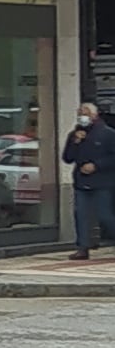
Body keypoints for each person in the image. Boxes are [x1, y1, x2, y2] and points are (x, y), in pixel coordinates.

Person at [61, 101, 115, 259]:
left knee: (104, 215)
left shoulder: (108, 134)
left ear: (94, 115)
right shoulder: (75, 135)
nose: (82, 117)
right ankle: (83, 247)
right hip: (81, 182)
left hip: (102, 182)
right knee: (81, 215)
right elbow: (67, 158)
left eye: (85, 113)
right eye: (80, 114)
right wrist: (75, 143)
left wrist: (96, 165)